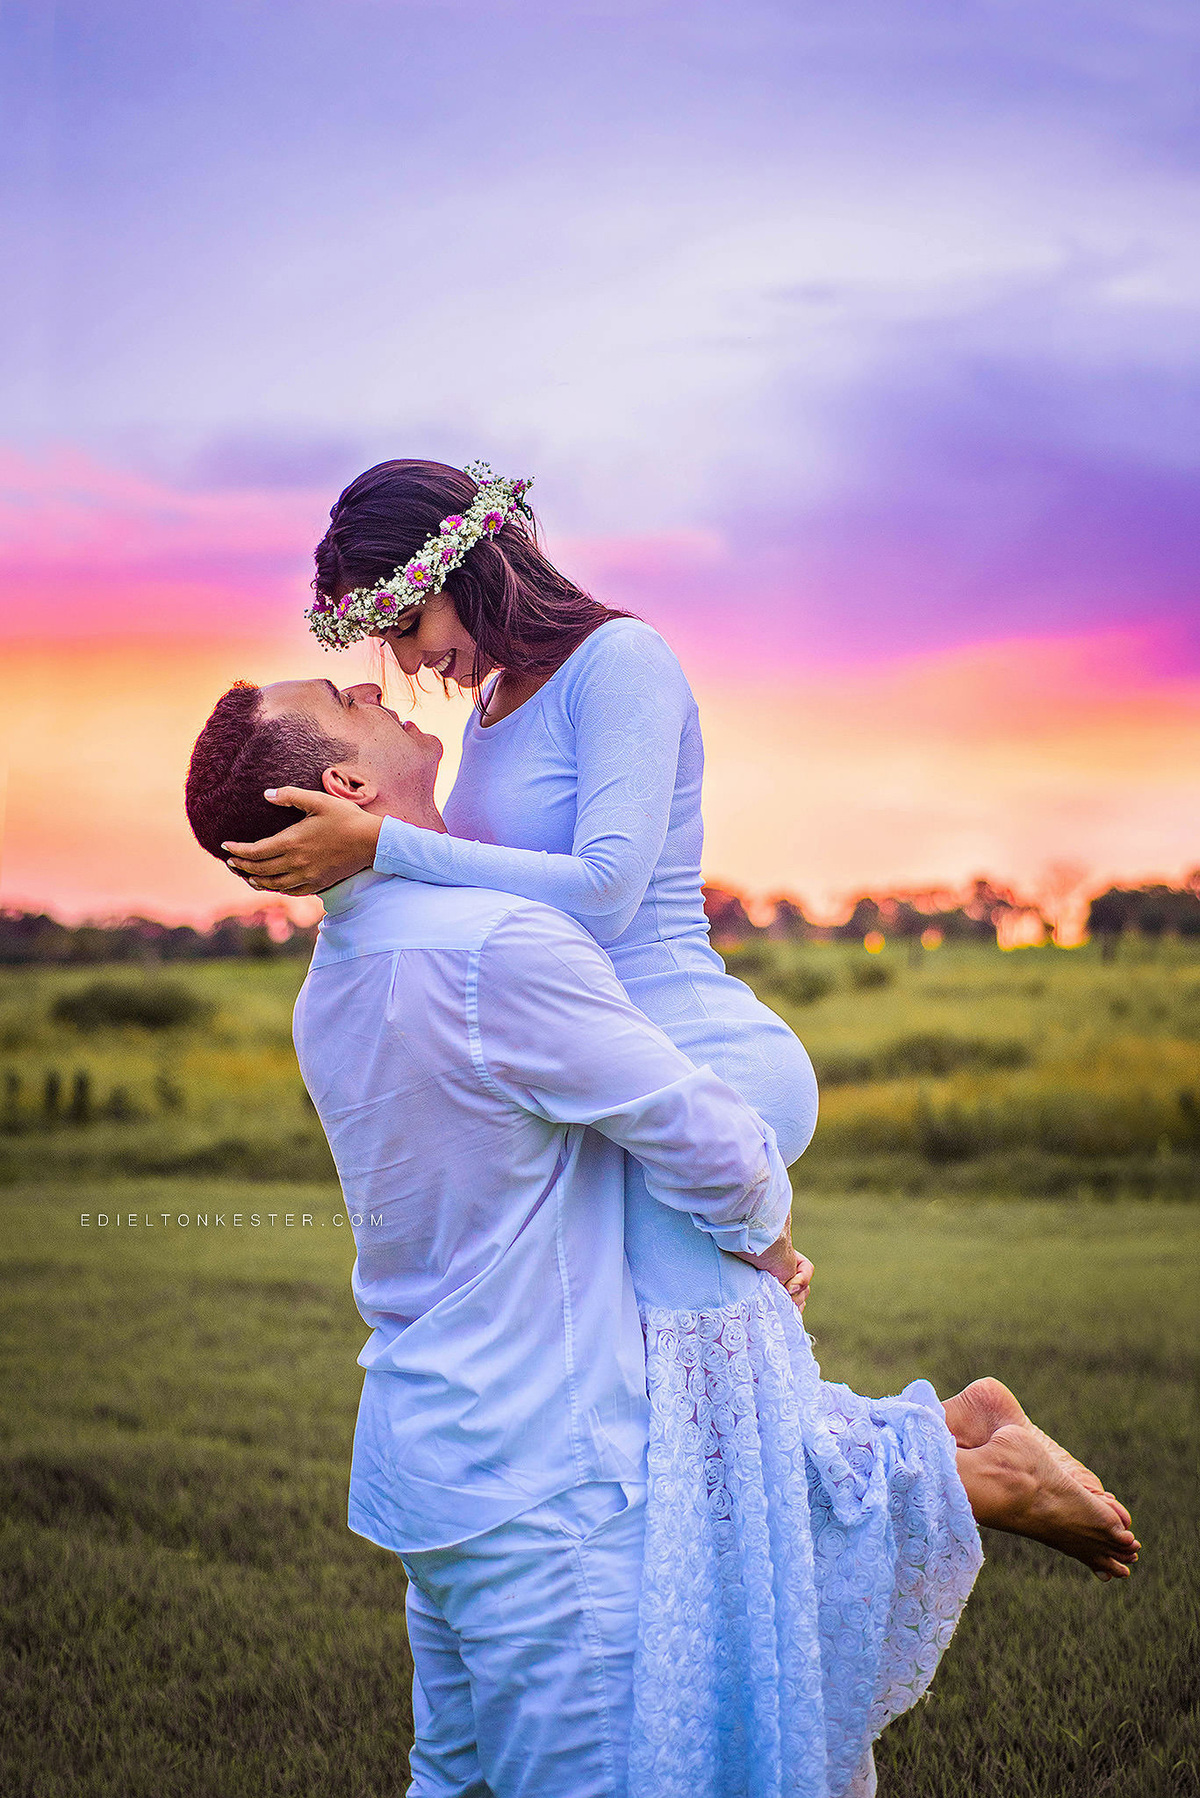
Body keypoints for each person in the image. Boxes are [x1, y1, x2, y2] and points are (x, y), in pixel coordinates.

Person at [219, 462, 1137, 1793]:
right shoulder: (490, 710)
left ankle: (961, 1478)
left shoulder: (620, 661)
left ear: (456, 568)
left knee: (691, 1444)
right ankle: (954, 1448)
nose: (405, 659)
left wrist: (383, 852)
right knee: (670, 1436)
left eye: (401, 619)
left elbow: (594, 892)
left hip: (687, 1057)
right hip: (597, 1083)